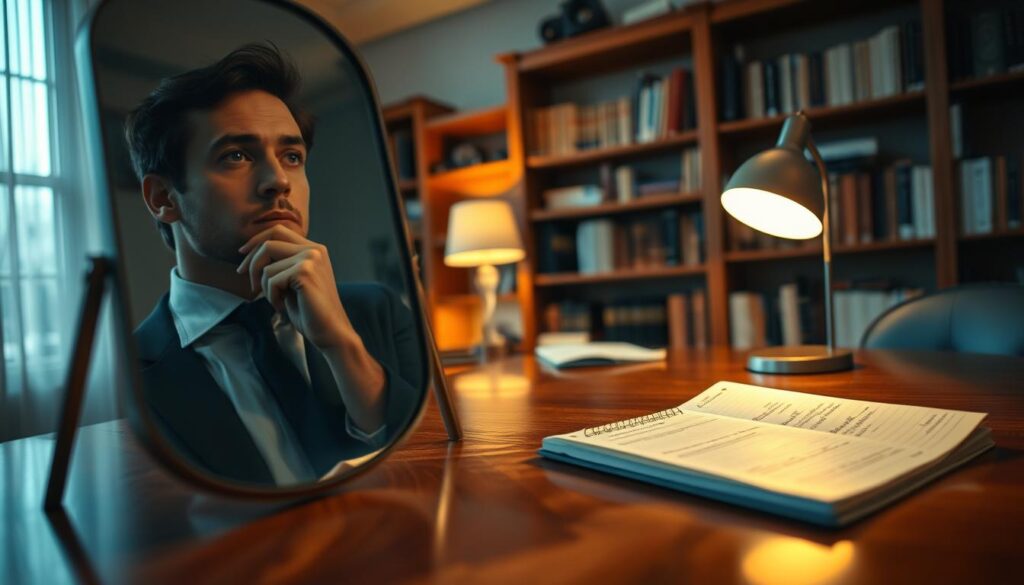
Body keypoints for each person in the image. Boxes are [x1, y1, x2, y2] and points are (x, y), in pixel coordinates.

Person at [125, 44, 422, 486]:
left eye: (292, 156)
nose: (279, 180)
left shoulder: (379, 310)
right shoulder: (126, 378)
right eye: (236, 156)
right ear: (163, 198)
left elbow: (442, 467)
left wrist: (343, 347)